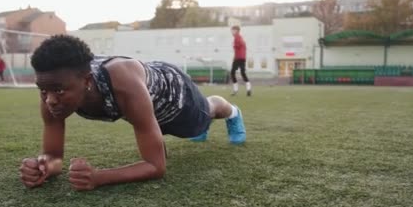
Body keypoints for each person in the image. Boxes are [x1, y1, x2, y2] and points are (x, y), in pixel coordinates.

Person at [19, 35, 247, 191]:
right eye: (43, 90)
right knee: (149, 125)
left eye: (58, 90)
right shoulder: (54, 92)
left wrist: (98, 177)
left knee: (206, 113)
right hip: (142, 106)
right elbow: (54, 158)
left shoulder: (122, 83)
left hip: (175, 98)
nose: (49, 100)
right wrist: (43, 166)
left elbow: (156, 166)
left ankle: (232, 112)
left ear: (87, 81)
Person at [230, 25, 251, 96]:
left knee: (232, 73)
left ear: (237, 31)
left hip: (238, 58)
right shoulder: (240, 38)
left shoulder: (237, 38)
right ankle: (248, 89)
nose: (232, 32)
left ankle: (235, 90)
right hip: (242, 58)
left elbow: (238, 47)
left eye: (233, 30)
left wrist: (235, 58)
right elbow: (241, 48)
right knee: (243, 73)